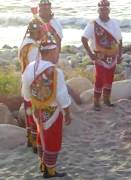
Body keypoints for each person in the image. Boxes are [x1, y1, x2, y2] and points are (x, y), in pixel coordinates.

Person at [22, 32, 72, 178]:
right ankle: (50, 171)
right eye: (56, 52)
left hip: (37, 109)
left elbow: (25, 89)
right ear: (50, 52)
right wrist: (67, 111)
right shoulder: (55, 72)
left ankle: (43, 165)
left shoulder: (30, 67)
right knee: (53, 138)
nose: (57, 55)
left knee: (41, 135)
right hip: (52, 111)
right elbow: (62, 95)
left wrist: (31, 101)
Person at [81, 0, 123, 111]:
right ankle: (96, 102)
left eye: (106, 9)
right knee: (99, 78)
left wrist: (120, 54)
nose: (104, 11)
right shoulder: (93, 24)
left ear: (109, 10)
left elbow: (119, 40)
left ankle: (107, 100)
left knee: (109, 78)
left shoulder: (114, 23)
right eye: (101, 9)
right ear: (98, 10)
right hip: (99, 56)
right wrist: (90, 54)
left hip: (112, 57)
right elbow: (84, 39)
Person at [19, 13, 44, 153]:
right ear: (35, 31)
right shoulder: (33, 48)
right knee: (35, 114)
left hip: (25, 81)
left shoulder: (25, 43)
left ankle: (30, 140)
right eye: (41, 30)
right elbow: (36, 69)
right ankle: (35, 144)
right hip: (33, 84)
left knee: (29, 113)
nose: (42, 33)